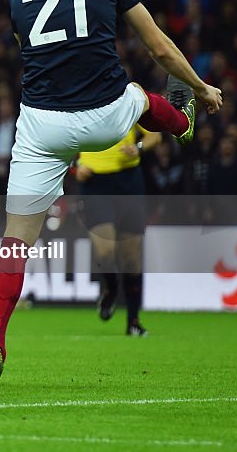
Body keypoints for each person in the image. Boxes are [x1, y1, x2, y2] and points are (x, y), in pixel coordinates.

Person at [0, 0, 223, 399]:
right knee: (145, 98)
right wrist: (200, 88)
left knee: (15, 241)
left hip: (42, 126)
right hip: (105, 116)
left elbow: (27, 48)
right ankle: (185, 123)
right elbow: (159, 47)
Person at [76, 125, 161, 337]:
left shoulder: (132, 93)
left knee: (131, 258)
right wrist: (75, 163)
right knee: (105, 252)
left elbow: (155, 135)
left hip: (129, 181)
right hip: (94, 182)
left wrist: (138, 147)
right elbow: (63, 139)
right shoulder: (81, 96)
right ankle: (111, 287)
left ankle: (133, 321)